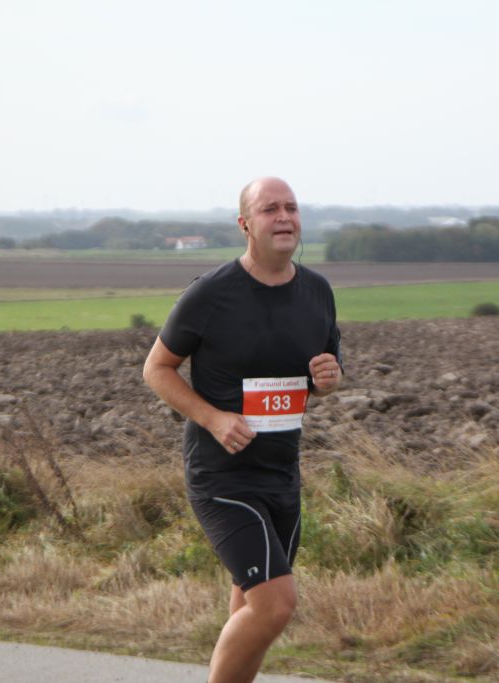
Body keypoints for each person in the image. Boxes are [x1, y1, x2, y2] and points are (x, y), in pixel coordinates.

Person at [142, 177, 342, 683]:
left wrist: (327, 380)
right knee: (276, 604)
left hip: (281, 474)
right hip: (223, 476)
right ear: (245, 224)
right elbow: (157, 369)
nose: (284, 217)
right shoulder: (212, 293)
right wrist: (213, 418)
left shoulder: (317, 291)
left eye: (291, 207)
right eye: (270, 209)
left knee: (251, 611)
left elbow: (320, 374)